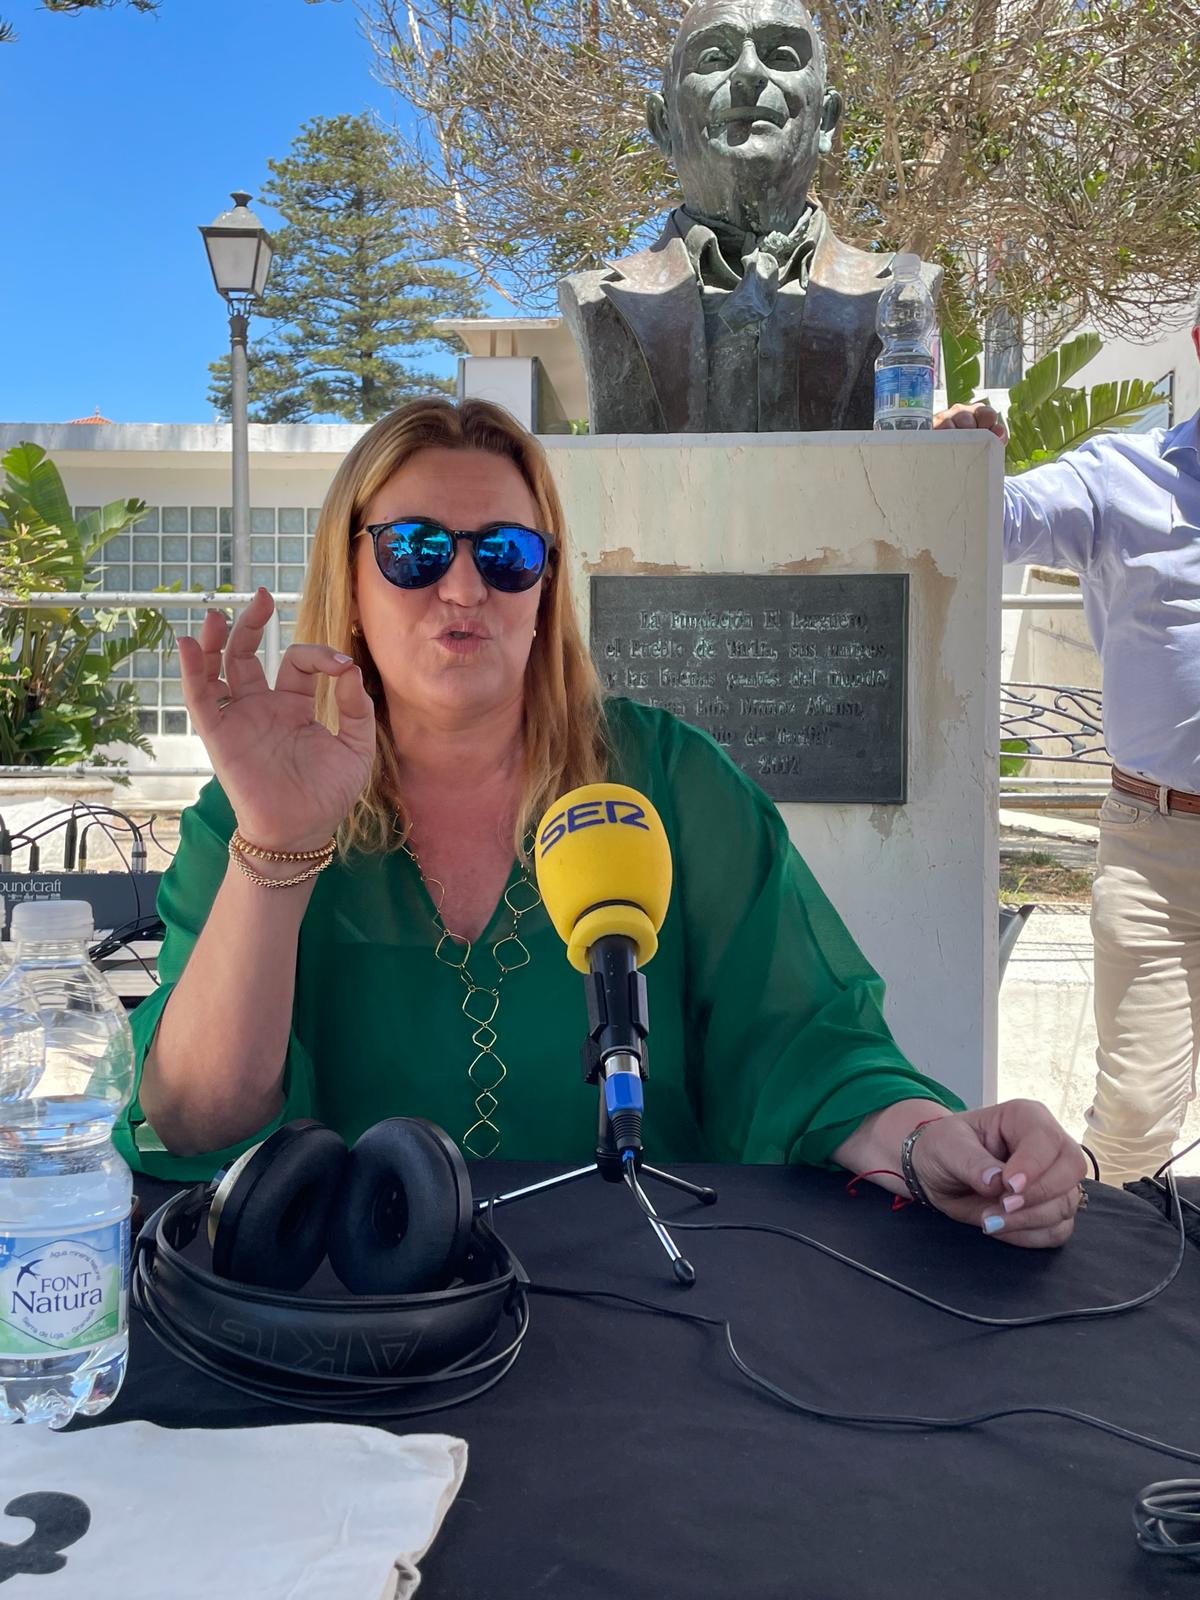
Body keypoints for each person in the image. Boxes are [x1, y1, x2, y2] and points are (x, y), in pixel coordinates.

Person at [117, 396, 1086, 1247]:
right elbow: (196, 1121)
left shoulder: (674, 780)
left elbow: (810, 1043)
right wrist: (279, 842)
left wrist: (932, 1143)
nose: (463, 589)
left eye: (505, 553)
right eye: (413, 549)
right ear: (353, 578)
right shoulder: (248, 814)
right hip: (347, 1314)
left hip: (650, 1301)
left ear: (546, 587)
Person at [935, 306, 1200, 1185]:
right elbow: (1001, 518)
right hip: (1159, 853)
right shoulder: (1125, 476)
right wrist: (967, 462)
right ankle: (1115, 1312)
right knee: (1132, 1117)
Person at [558, 0, 941, 433]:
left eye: (782, 56)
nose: (749, 72)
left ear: (827, 122)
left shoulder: (900, 295)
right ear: (663, 123)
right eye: (713, 58)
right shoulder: (598, 301)